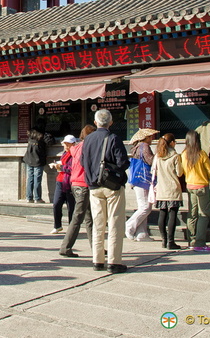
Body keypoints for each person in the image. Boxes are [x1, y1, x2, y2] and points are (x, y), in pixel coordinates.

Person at [81, 109, 130, 274]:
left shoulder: (87, 139)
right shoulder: (114, 138)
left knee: (98, 224)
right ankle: (114, 262)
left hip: (93, 187)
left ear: (95, 122)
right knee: (115, 222)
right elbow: (123, 163)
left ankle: (98, 260)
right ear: (111, 122)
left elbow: (83, 161)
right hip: (112, 186)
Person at [59, 124, 96, 258]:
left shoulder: (77, 147)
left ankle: (96, 247)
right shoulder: (88, 147)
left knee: (90, 218)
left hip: (75, 183)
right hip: (83, 184)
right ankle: (65, 247)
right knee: (78, 217)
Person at [180, 130, 210, 252]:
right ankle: (200, 242)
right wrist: (206, 178)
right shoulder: (202, 154)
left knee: (192, 213)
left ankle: (192, 240)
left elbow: (182, 171)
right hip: (202, 186)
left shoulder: (183, 154)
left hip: (190, 186)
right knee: (204, 214)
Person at [125, 127, 159, 241]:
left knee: (143, 206)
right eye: (150, 137)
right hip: (143, 179)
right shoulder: (144, 146)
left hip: (137, 180)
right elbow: (150, 161)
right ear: (146, 137)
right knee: (145, 208)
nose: (152, 139)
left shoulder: (136, 147)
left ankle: (142, 234)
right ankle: (129, 226)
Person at [152, 133, 183, 250]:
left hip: (161, 188)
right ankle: (171, 241)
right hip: (173, 187)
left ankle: (163, 240)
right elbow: (179, 172)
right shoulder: (175, 156)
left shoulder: (158, 156)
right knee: (173, 214)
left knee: (162, 213)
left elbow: (154, 171)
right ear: (172, 143)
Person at [49, 135, 77, 234]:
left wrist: (60, 167)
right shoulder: (65, 153)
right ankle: (57, 225)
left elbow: (72, 168)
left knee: (71, 206)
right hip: (60, 180)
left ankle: (71, 227)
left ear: (73, 144)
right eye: (65, 144)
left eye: (68, 144)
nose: (66, 146)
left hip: (70, 182)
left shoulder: (75, 154)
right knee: (56, 203)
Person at [22, 126, 53, 203]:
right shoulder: (42, 137)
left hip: (29, 159)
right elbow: (50, 142)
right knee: (37, 180)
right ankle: (37, 198)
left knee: (30, 179)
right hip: (38, 160)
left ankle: (29, 197)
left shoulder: (30, 136)